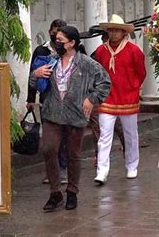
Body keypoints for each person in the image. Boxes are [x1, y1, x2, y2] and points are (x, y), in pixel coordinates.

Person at [30, 25, 110, 211]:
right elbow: (34, 82)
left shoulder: (86, 63)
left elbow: (105, 82)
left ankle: (72, 191)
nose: (56, 43)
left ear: (72, 43)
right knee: (49, 148)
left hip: (75, 115)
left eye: (60, 41)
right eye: (55, 39)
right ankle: (55, 192)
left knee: (74, 154)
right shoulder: (51, 61)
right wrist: (36, 74)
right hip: (52, 113)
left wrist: (92, 99)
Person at [93, 14, 146, 184]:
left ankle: (132, 165)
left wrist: (133, 87)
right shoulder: (101, 50)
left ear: (124, 33)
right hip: (108, 98)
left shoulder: (134, 50)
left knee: (130, 134)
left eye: (118, 30)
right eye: (111, 30)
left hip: (128, 97)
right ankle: (102, 171)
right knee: (104, 135)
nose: (114, 33)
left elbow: (141, 73)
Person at [26, 19, 70, 184]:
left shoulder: (72, 49)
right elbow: (32, 75)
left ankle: (64, 170)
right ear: (50, 30)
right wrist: (30, 99)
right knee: (49, 140)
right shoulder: (41, 51)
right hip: (46, 100)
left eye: (60, 32)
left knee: (65, 138)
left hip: (66, 102)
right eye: (54, 30)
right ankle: (51, 171)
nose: (56, 34)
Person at [88, 31, 125, 166]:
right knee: (97, 127)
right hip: (98, 96)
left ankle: (128, 149)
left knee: (119, 126)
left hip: (115, 96)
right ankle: (100, 157)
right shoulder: (96, 55)